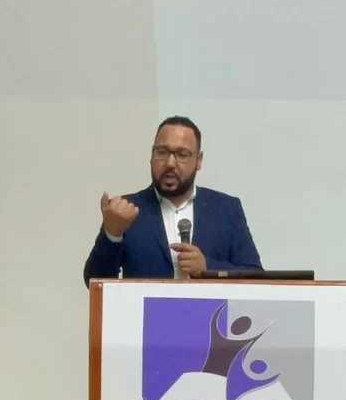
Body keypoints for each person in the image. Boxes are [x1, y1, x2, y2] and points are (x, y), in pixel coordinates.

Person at [83, 116, 262, 284]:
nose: (170, 163)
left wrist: (208, 267)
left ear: (199, 160)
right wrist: (113, 234)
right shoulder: (126, 210)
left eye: (182, 154)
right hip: (147, 309)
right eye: (162, 152)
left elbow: (255, 275)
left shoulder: (226, 209)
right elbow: (95, 283)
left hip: (209, 309)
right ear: (151, 156)